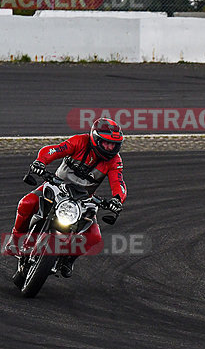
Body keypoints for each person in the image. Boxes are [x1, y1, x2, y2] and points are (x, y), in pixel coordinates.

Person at [3, 118, 127, 277]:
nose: (110, 148)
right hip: (57, 186)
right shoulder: (79, 141)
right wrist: (40, 162)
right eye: (106, 143)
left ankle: (68, 260)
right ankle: (14, 241)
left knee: (95, 236)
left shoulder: (115, 161)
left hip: (83, 199)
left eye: (114, 144)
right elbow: (54, 150)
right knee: (26, 203)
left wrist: (117, 200)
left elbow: (119, 182)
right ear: (95, 139)